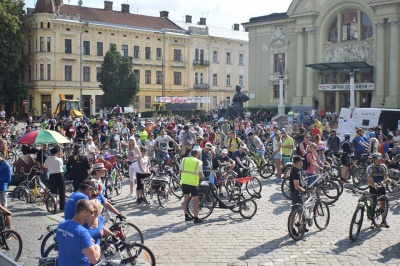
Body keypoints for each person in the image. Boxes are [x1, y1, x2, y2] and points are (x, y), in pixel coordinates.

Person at [57, 199, 101, 265]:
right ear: (84, 212)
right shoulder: (82, 233)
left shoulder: (61, 225)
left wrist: (86, 240)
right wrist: (98, 247)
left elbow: (69, 242)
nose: (93, 215)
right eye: (91, 212)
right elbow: (94, 259)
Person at [367, 152, 390, 228]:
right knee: (372, 204)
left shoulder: (383, 167)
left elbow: (387, 177)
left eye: (380, 160)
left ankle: (384, 220)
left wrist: (383, 182)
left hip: (381, 187)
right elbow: (368, 179)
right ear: (374, 160)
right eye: (377, 160)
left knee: (383, 204)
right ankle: (372, 222)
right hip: (373, 187)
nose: (379, 162)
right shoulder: (370, 168)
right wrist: (374, 184)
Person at [180, 149, 203, 224]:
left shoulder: (184, 160)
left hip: (184, 181)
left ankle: (186, 216)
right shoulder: (198, 162)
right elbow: (200, 173)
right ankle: (196, 218)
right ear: (197, 154)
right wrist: (199, 177)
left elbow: (180, 171)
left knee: (186, 199)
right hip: (193, 183)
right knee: (196, 200)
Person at [44, 146, 65, 211]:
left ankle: (53, 205)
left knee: (53, 192)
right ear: (56, 153)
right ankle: (62, 207)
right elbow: (61, 165)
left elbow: (45, 166)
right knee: (62, 192)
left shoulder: (48, 159)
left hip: (52, 175)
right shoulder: (59, 160)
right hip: (59, 175)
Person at [0, 139, 12, 229]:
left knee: (5, 210)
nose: (5, 147)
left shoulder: (5, 164)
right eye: (4, 145)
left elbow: (8, 179)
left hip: (1, 190)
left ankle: (9, 231)